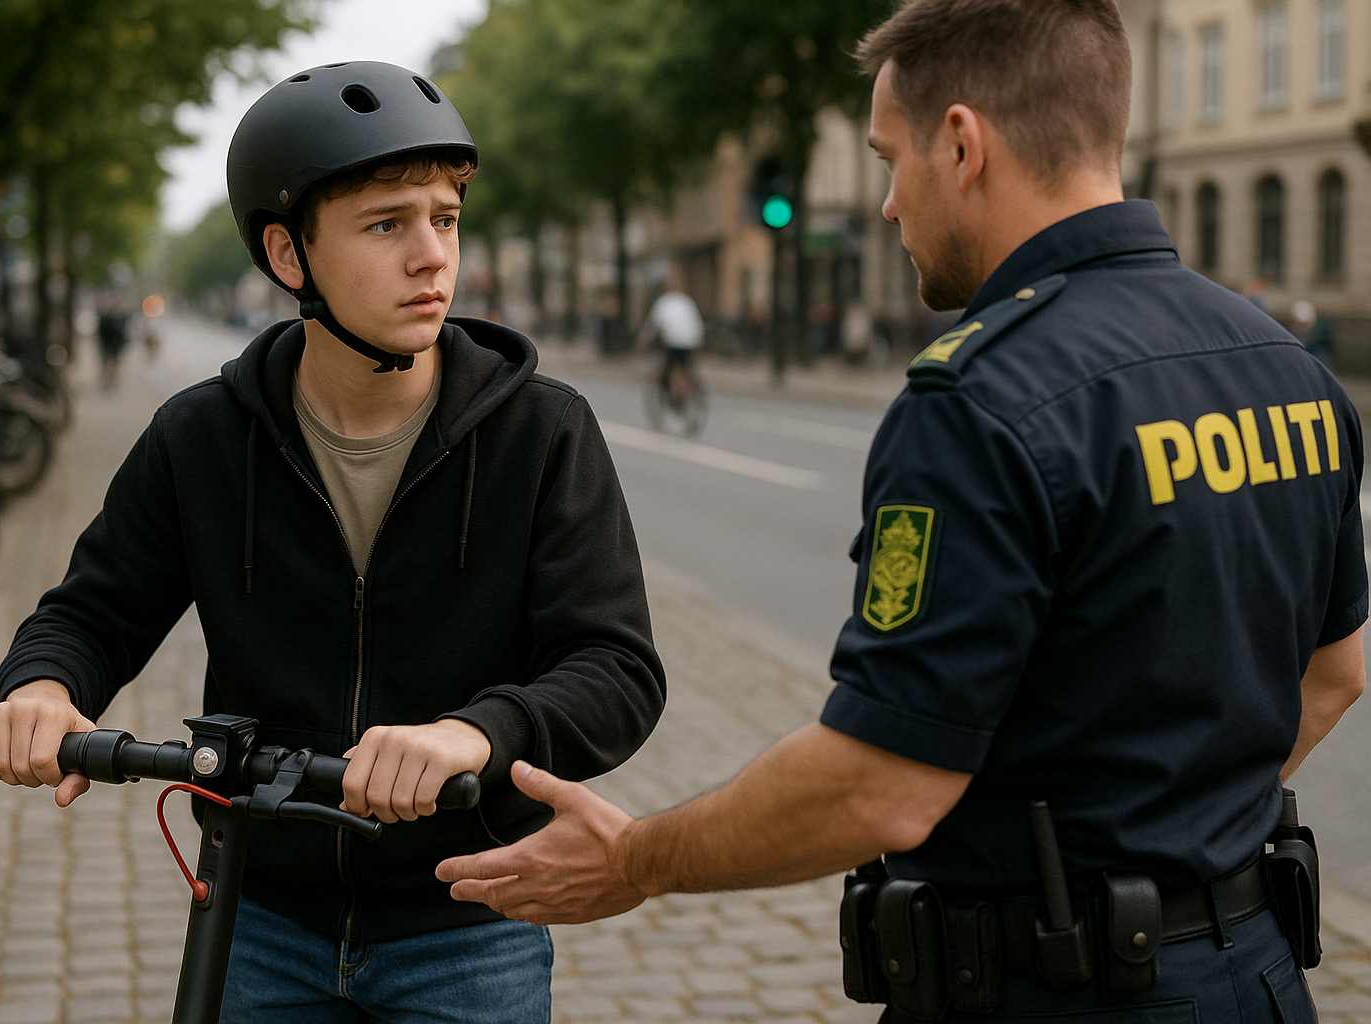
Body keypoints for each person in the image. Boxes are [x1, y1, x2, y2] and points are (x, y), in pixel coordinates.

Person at [437, 3, 1366, 1021]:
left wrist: (637, 859)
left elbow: (880, 785)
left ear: (962, 144)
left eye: (889, 159)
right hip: (1258, 979)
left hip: (1048, 991)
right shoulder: (1284, 367)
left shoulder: (983, 399)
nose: (886, 205)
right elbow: (1335, 672)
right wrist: (1185, 825)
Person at [0, 61, 665, 1024]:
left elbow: (615, 667)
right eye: (387, 225)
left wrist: (475, 732)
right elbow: (93, 611)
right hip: (261, 920)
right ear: (288, 254)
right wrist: (44, 689)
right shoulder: (203, 437)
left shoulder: (541, 432)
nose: (432, 256)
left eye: (445, 219)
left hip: (467, 920)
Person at [640, 268, 704, 401]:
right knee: (685, 366)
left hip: (672, 341)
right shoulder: (687, 301)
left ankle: (676, 391)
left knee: (671, 367)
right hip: (690, 341)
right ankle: (686, 389)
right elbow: (697, 323)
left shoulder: (664, 302)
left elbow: (655, 324)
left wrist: (646, 339)